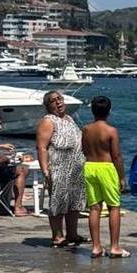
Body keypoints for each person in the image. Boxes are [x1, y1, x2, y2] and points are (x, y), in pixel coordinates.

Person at [35, 90, 87, 246]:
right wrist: (45, 169)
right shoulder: (48, 121)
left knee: (74, 202)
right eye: (53, 101)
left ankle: (72, 234)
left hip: (76, 168)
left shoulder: (69, 119)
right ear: (48, 105)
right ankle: (57, 236)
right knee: (58, 202)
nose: (58, 102)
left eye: (60, 99)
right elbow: (42, 147)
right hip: (58, 167)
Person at [81, 95, 128, 258]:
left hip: (89, 166)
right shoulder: (111, 131)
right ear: (109, 111)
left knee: (94, 207)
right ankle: (114, 246)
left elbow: (84, 149)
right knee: (114, 207)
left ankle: (96, 246)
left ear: (92, 110)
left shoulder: (86, 129)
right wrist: (122, 177)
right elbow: (117, 156)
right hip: (106, 168)